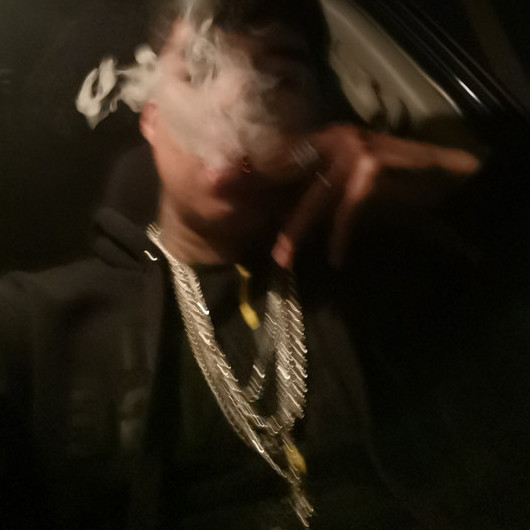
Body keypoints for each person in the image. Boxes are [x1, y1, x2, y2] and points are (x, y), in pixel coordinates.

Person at [1, 0, 527, 528]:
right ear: (152, 118)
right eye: (198, 72)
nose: (234, 100)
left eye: (279, 78)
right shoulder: (40, 324)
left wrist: (457, 178)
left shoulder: (386, 274)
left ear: (316, 122)